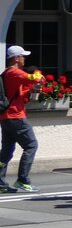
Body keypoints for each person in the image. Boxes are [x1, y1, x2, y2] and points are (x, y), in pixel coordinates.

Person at [0, 44, 44, 193]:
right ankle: (22, 179)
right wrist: (38, 73)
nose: (24, 59)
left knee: (6, 151)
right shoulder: (14, 72)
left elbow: (18, 94)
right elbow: (33, 77)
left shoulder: (8, 73)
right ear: (17, 58)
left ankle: (0, 182)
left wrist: (29, 91)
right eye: (23, 56)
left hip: (6, 117)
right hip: (16, 117)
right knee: (31, 145)